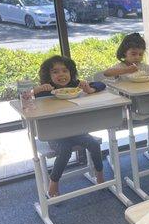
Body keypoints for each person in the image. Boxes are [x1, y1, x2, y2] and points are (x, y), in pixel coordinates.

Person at [33, 55, 107, 197]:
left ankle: (100, 175)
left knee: (94, 144)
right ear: (48, 75)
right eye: (55, 72)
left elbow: (100, 85)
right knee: (65, 150)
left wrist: (89, 89)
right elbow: (23, 97)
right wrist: (35, 90)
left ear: (71, 73)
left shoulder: (75, 86)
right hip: (55, 134)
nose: (61, 74)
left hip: (77, 131)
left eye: (65, 71)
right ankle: (53, 183)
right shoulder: (45, 90)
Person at [103, 32, 149, 125]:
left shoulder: (143, 67)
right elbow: (106, 73)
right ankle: (147, 119)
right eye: (133, 54)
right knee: (132, 112)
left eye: (140, 54)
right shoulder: (121, 66)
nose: (137, 57)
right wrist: (126, 70)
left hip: (144, 100)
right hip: (128, 104)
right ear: (125, 52)